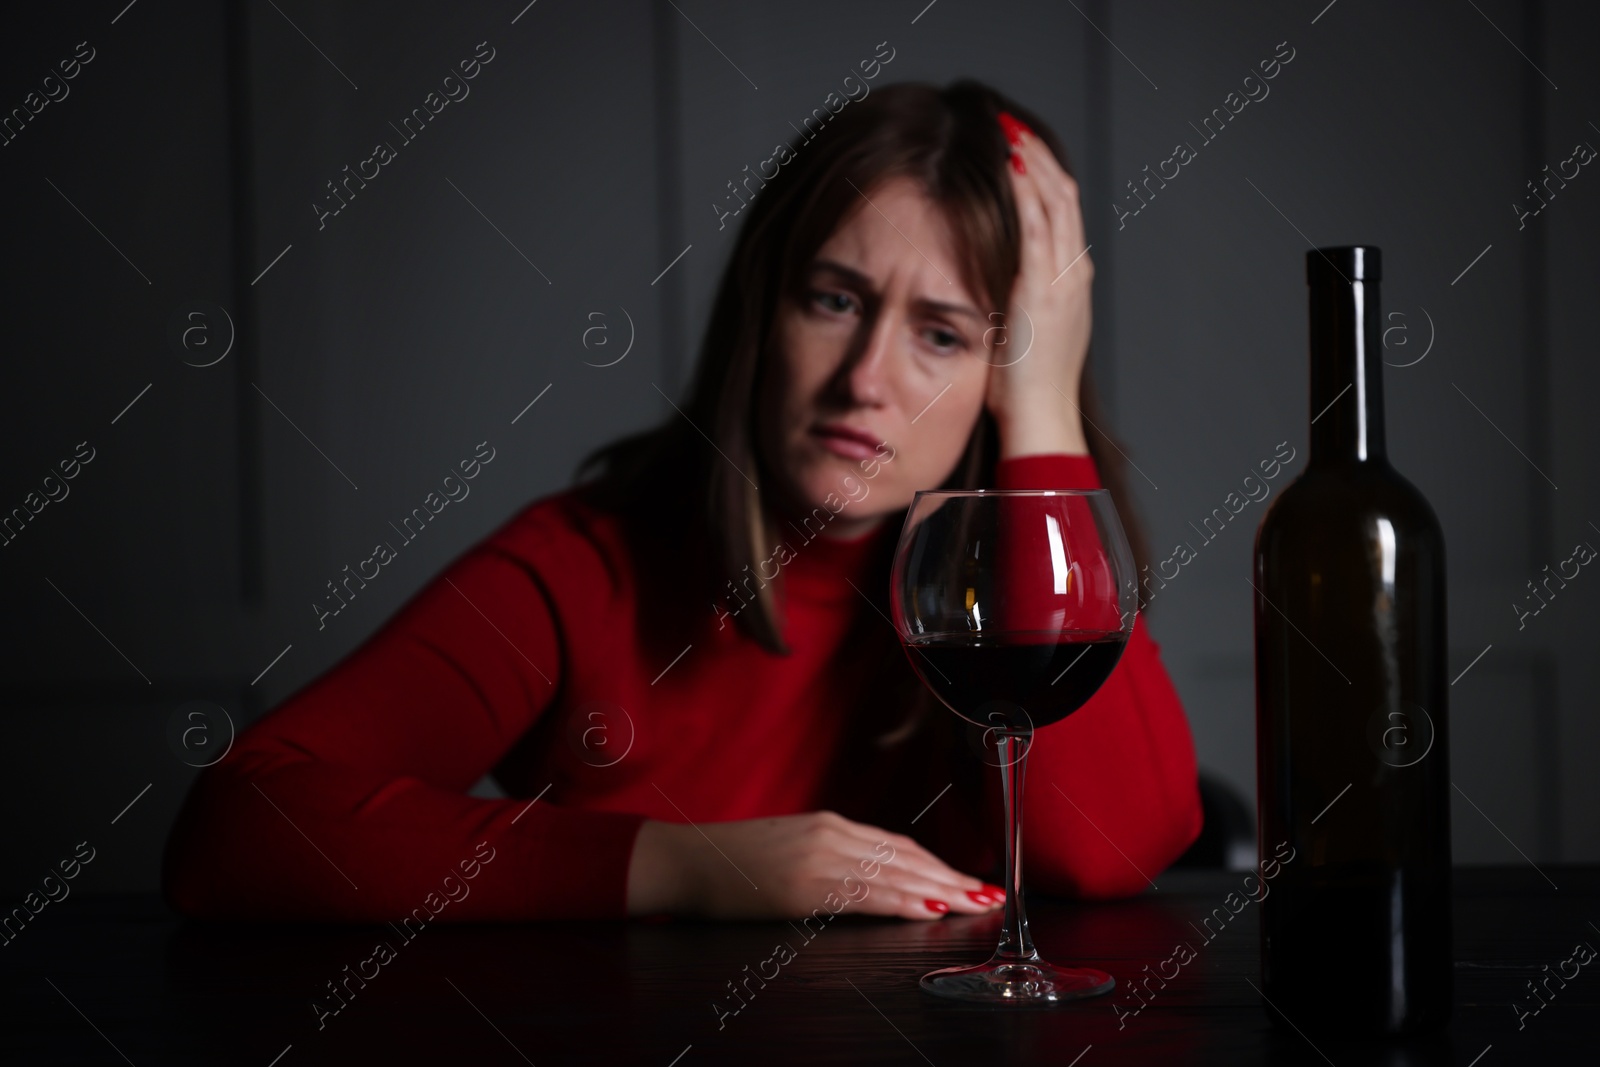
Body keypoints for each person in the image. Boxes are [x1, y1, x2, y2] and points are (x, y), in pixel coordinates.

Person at [163, 80, 1202, 924]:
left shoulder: (994, 607)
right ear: (766, 310)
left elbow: (1105, 852)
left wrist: (1045, 413)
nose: (864, 376)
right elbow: (237, 825)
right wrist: (686, 866)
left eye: (942, 333)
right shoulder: (586, 564)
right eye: (834, 299)